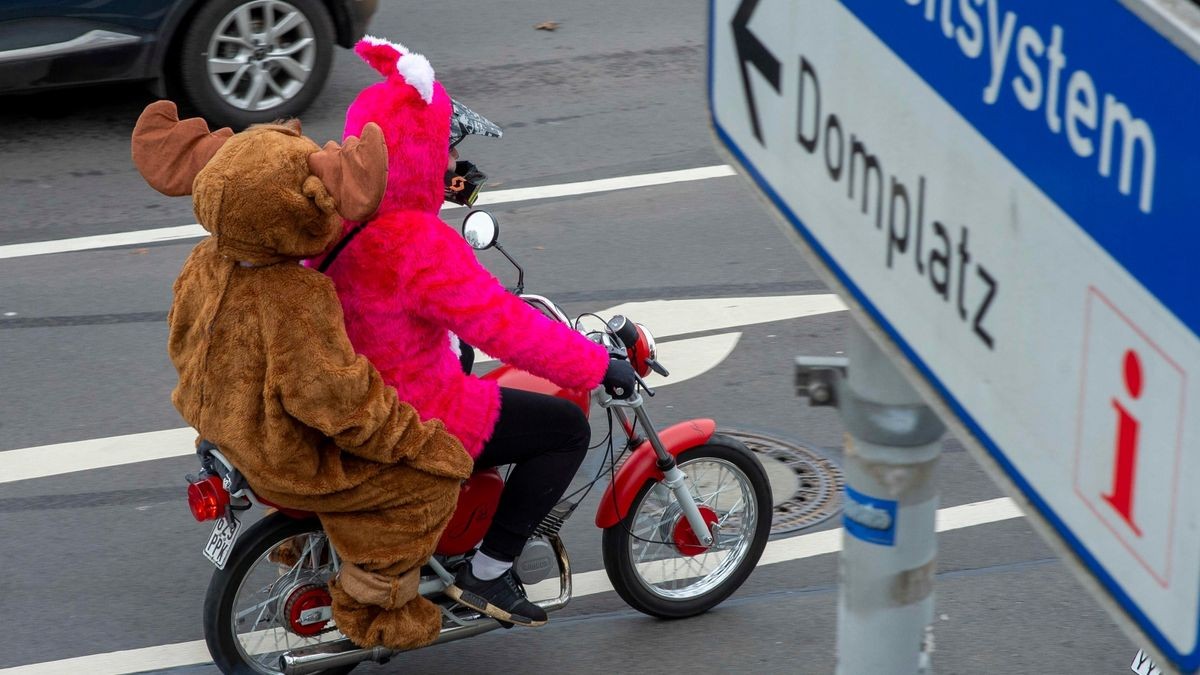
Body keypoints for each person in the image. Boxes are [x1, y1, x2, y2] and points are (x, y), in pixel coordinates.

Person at [311, 36, 637, 628]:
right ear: (421, 150)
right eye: (442, 149)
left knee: (472, 372)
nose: (450, 165)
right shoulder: (416, 242)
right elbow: (506, 327)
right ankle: (487, 573)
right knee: (564, 429)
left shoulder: (334, 216)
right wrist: (596, 365)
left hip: (349, 397)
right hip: (412, 413)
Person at [133, 100, 473, 651]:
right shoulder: (295, 295)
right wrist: (414, 438)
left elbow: (181, 334)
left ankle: (307, 546)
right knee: (432, 476)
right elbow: (335, 400)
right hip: (284, 454)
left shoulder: (205, 260)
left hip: (222, 429)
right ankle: (378, 608)